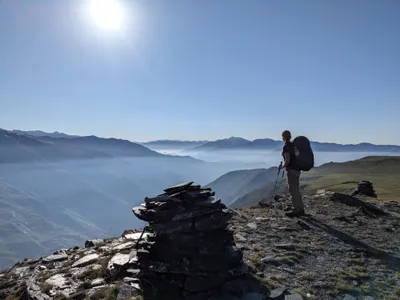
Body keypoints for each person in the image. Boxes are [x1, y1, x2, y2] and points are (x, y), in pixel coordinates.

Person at [280, 130, 305, 216]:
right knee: (296, 189)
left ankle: (297, 209)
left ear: (284, 137)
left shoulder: (286, 146)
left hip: (291, 170)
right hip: (297, 170)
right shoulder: (294, 146)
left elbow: (288, 160)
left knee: (292, 190)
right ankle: (300, 208)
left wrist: (283, 166)